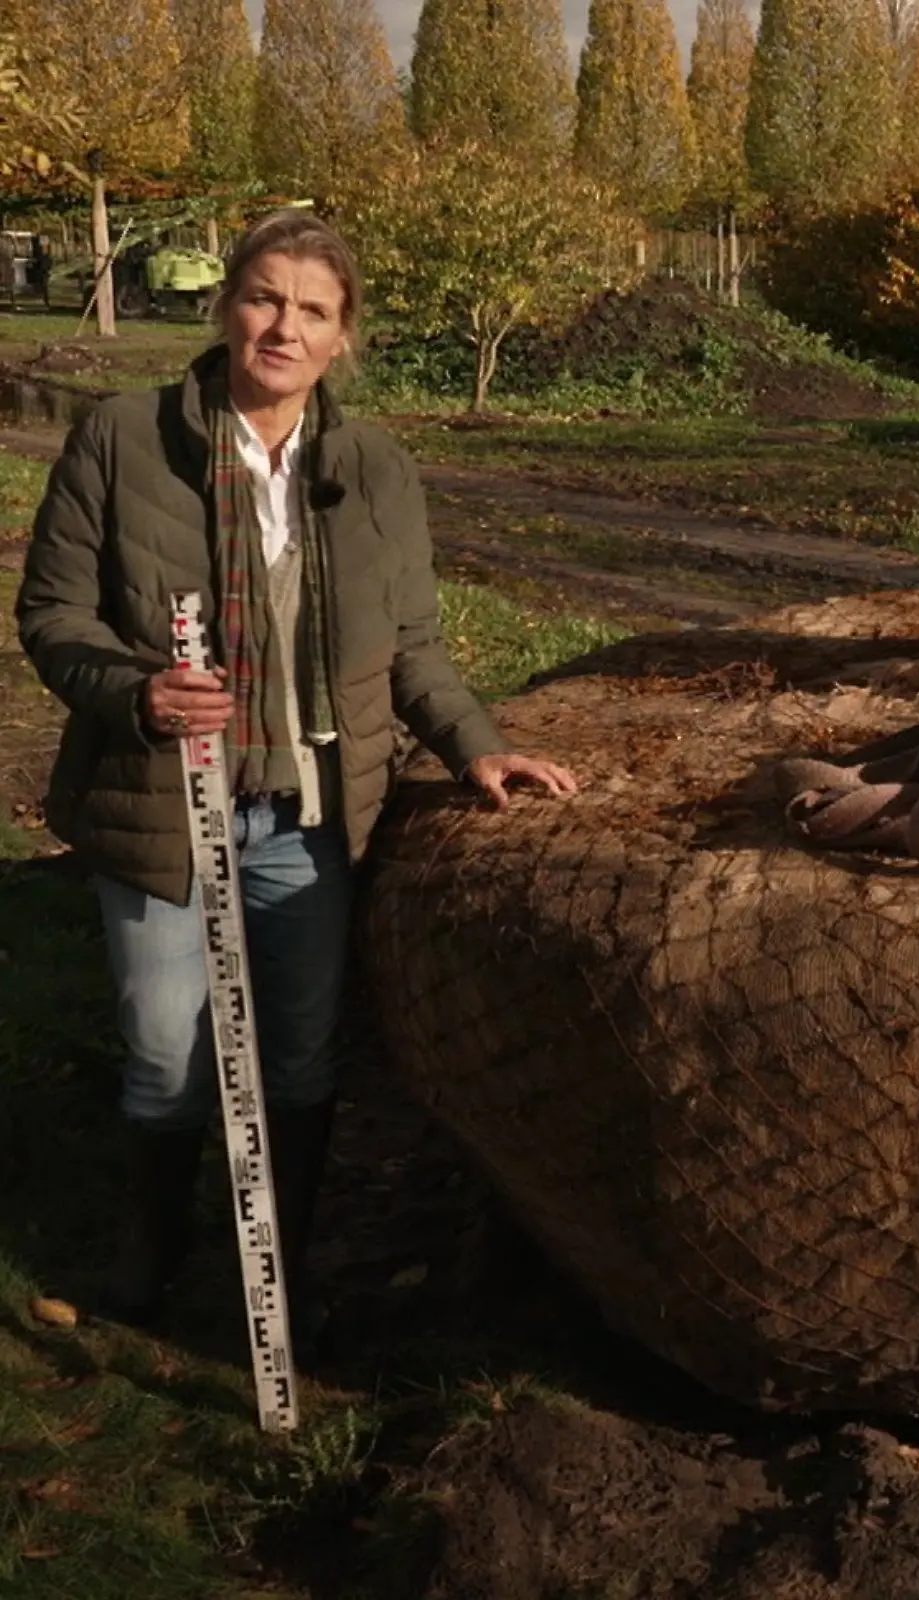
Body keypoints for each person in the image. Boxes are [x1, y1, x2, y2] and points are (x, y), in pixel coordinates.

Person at [16, 210, 578, 1350]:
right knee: (168, 1050)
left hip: (307, 817)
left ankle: (279, 1270)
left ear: (340, 339)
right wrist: (139, 694)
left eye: (312, 310)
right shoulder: (124, 439)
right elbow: (53, 614)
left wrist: (475, 742)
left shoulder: (369, 468)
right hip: (163, 807)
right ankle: (150, 1252)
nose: (283, 325)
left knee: (304, 1054)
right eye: (265, 297)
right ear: (227, 306)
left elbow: (411, 640)